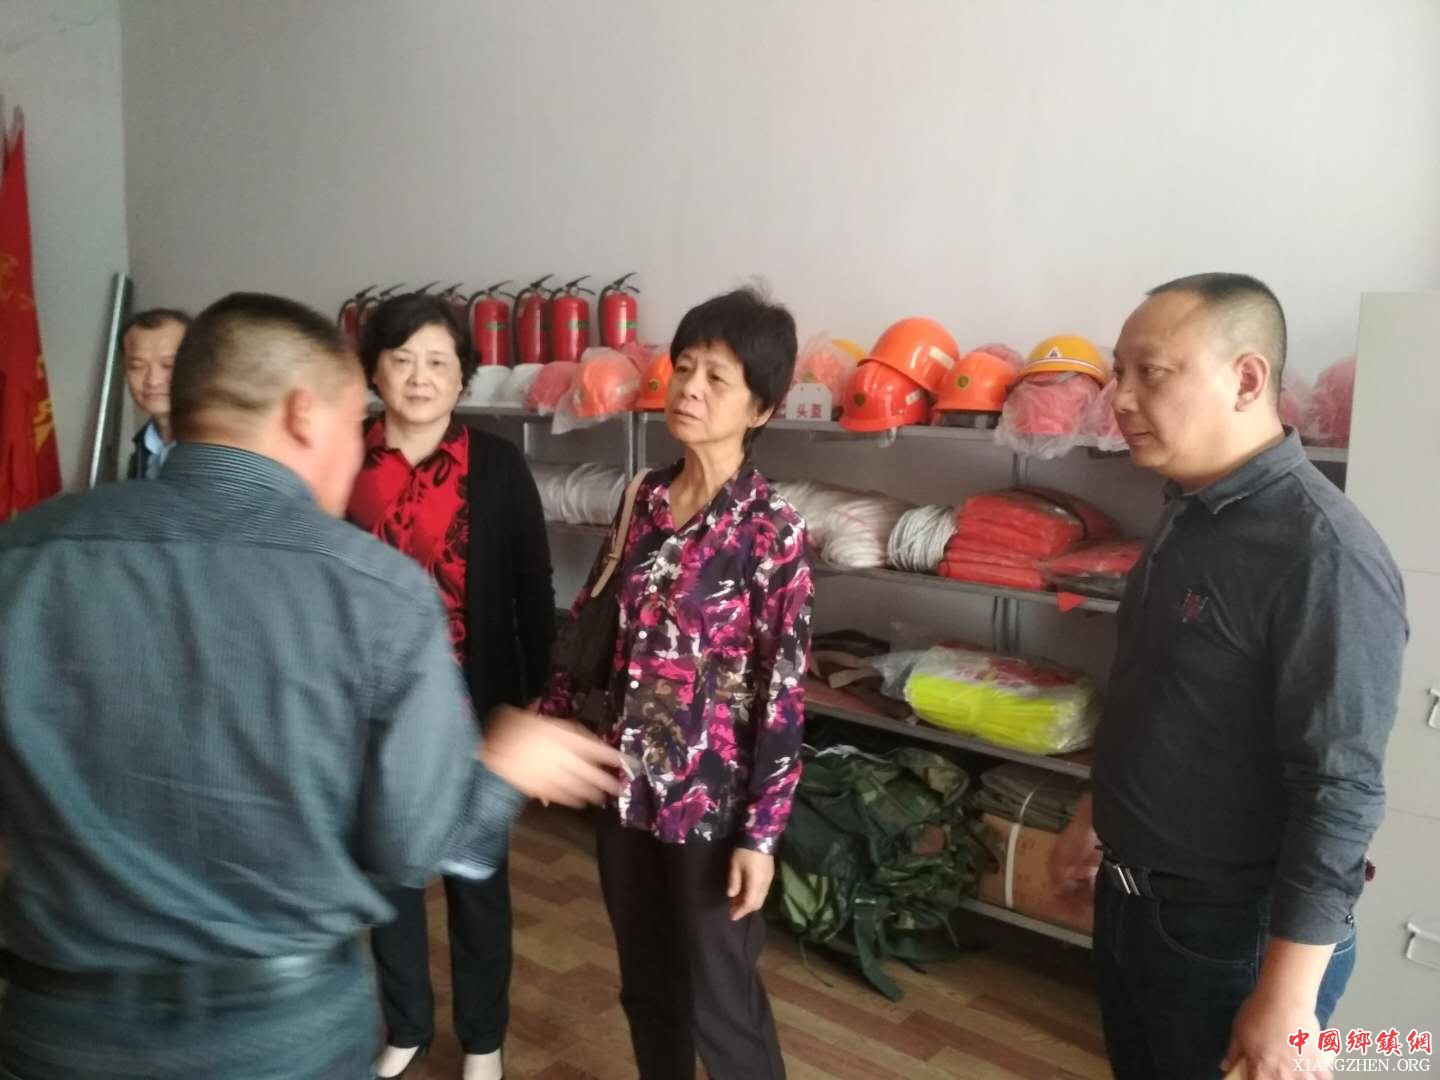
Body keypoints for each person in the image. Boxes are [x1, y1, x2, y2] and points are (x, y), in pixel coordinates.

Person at [0, 292, 623, 1080]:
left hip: (53, 1027)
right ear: (303, 415)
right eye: (351, 421)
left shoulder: (25, 558)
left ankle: (479, 1038)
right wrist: (502, 765)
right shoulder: (372, 590)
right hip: (274, 1035)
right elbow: (410, 843)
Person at [1050, 273, 1407, 1080]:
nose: (1119, 399)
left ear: (1247, 379)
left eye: (1150, 372)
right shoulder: (1191, 508)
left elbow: (1340, 789)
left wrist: (1288, 998)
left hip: (1233, 937)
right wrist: (1095, 812)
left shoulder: (1322, 555)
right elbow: (1155, 691)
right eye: (1118, 372)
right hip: (1139, 903)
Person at [539, 286, 812, 1080]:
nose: (689, 387)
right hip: (626, 787)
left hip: (710, 804)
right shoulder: (644, 497)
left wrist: (762, 835)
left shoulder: (772, 531)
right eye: (684, 366)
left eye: (716, 377)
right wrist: (554, 717)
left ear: (762, 408)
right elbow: (592, 620)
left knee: (722, 1004)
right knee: (648, 987)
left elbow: (783, 694)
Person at [349, 293, 554, 1080]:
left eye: (438, 362)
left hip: (474, 706)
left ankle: (482, 1039)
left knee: (477, 879)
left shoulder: (496, 465)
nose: (419, 377)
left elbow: (533, 587)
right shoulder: (343, 457)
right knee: (388, 875)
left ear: (462, 376)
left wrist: (538, 700)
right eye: (402, 360)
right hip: (368, 709)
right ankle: (406, 1024)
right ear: (374, 370)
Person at [120, 307, 190, 479]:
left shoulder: (227, 447)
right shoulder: (144, 444)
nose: (153, 381)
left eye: (168, 366)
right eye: (137, 367)